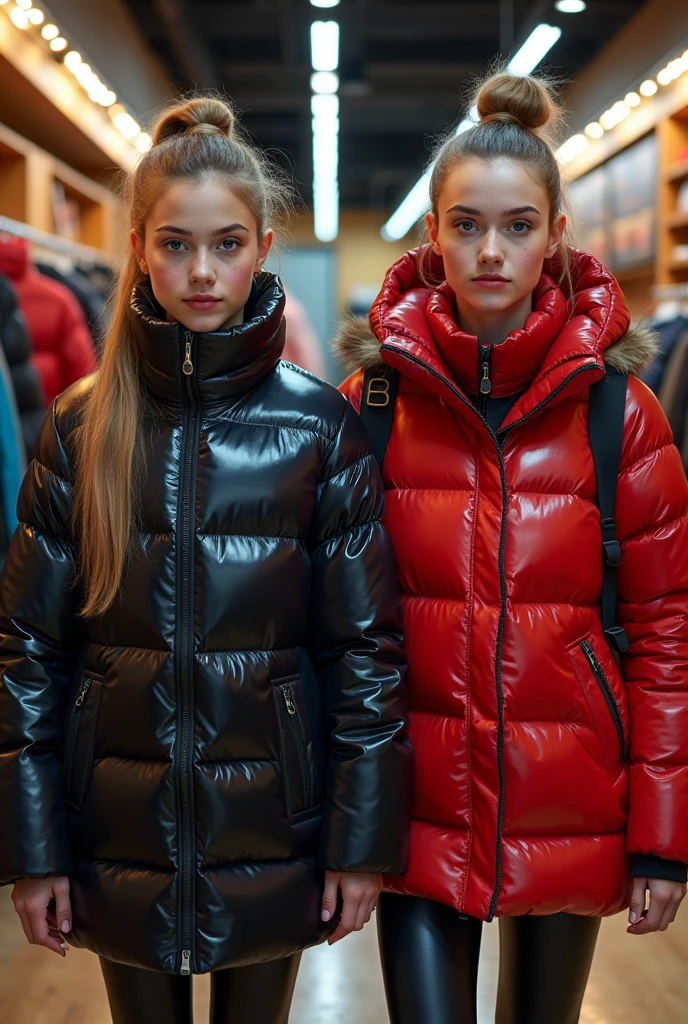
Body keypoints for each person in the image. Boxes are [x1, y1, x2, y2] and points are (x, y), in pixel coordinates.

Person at [0, 96, 412, 1024]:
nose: (200, 270)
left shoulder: (321, 427)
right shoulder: (82, 423)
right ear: (139, 245)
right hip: (114, 827)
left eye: (225, 244)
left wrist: (359, 843)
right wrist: (33, 848)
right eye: (176, 244)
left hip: (277, 824)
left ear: (263, 247)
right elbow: (27, 652)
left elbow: (364, 654)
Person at [337, 70, 688, 1024]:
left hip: (572, 802)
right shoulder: (369, 412)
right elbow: (334, 634)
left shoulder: (622, 416)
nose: (491, 250)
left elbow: (666, 637)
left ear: (556, 234)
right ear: (434, 232)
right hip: (412, 811)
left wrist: (664, 840)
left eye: (519, 225)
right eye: (466, 224)